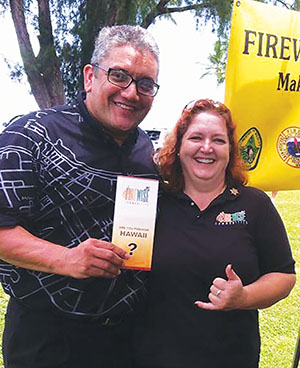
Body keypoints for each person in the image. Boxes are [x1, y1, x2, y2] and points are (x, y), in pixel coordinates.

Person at [0, 25, 160, 368]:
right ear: (90, 77)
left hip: (127, 338)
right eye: (119, 76)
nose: (132, 93)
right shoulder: (31, 136)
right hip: (49, 341)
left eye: (145, 84)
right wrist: (65, 259)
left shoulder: (147, 151)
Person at [133, 99, 296, 368]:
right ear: (178, 146)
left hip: (230, 357)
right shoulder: (150, 202)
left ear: (230, 150)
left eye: (218, 140)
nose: (206, 148)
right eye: (196, 137)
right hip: (153, 356)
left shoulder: (254, 205)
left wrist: (243, 297)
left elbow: (283, 276)